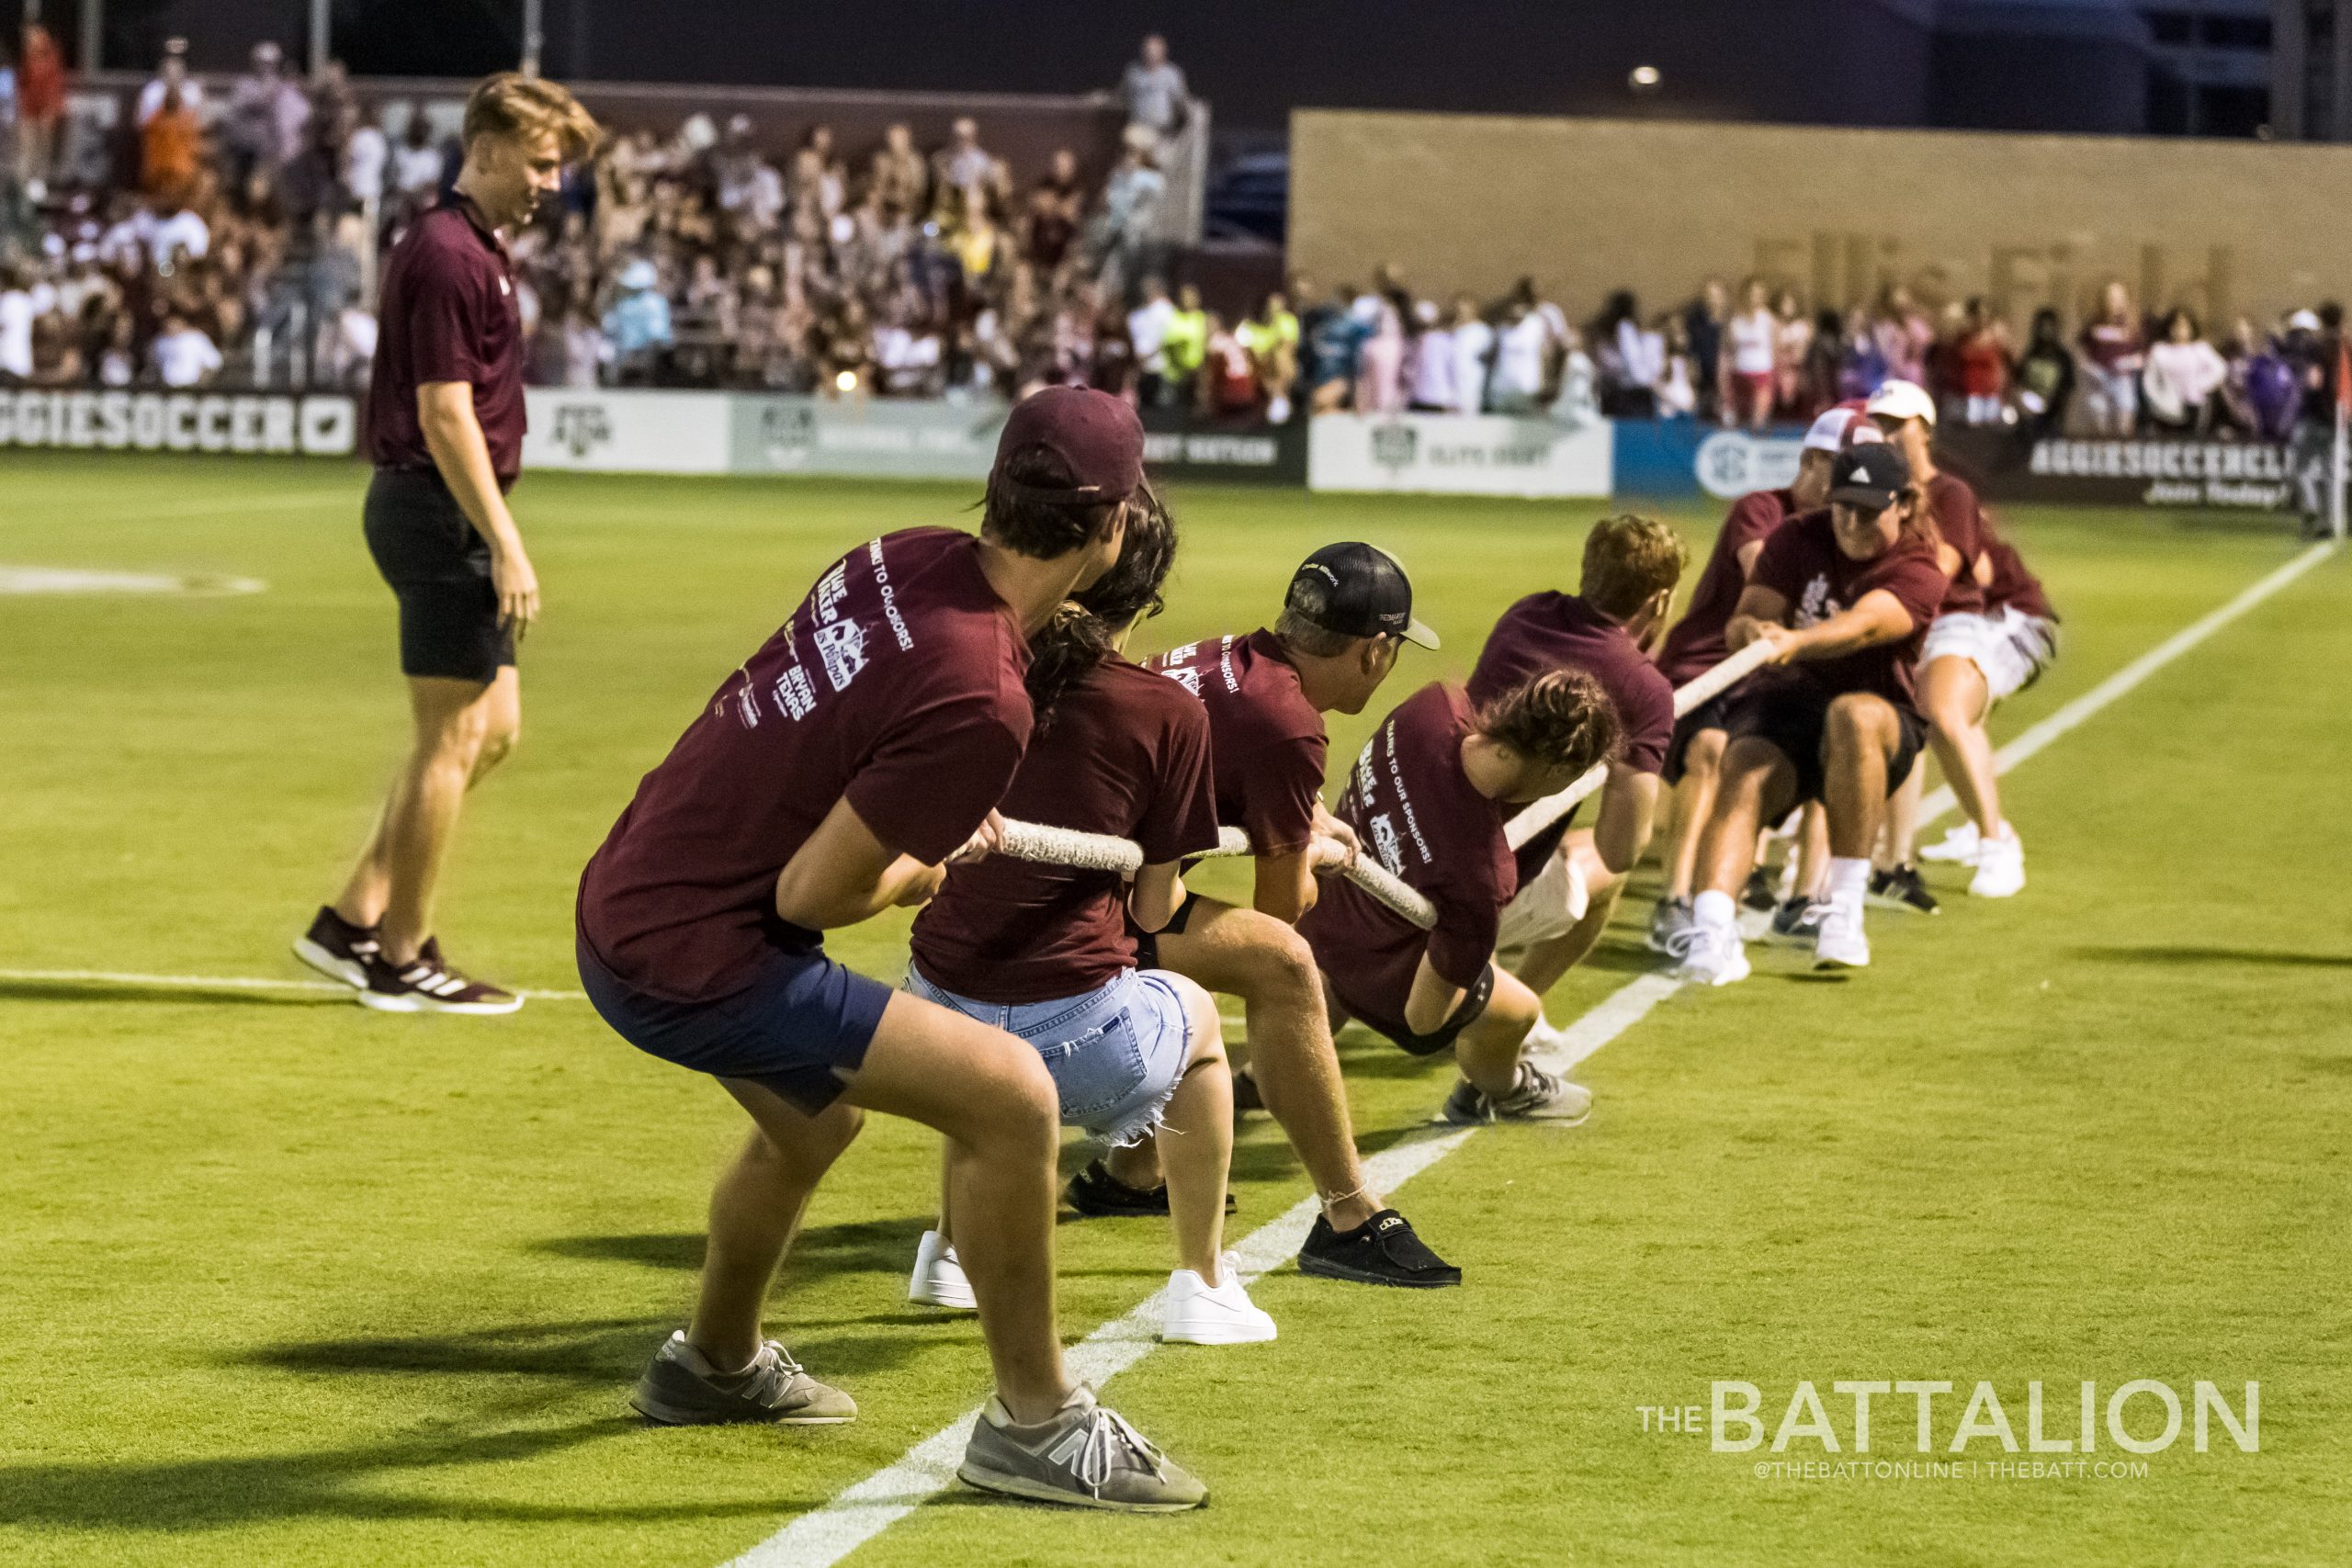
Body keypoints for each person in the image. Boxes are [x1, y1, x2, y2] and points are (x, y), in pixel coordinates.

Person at [578, 388, 1207, 1511]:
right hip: (696, 951)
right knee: (1010, 1095)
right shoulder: (983, 696)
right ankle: (1036, 1425)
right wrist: (925, 861)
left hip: (626, 893)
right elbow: (816, 889)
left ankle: (711, 1366)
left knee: (817, 1118)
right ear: (1112, 527)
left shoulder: (901, 553)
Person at [901, 492, 1276, 1345]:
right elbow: (1156, 908)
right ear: (1144, 600)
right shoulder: (1169, 711)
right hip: (1071, 1033)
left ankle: (948, 1255)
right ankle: (1203, 1280)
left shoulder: (970, 667)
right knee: (1201, 1026)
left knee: (975, 1055)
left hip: (924, 1023)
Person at [292, 75, 601, 1014]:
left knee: (490, 732)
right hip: (436, 512)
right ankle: (401, 953)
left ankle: (351, 920)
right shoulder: (447, 253)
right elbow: (442, 410)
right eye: (545, 162)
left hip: (446, 509)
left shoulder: (478, 248)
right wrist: (505, 540)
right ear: (493, 147)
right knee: (452, 735)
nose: (553, 182)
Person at [1092, 546, 1459, 1288]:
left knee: (1258, 964)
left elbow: (1236, 754)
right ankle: (1350, 1215)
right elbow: (1281, 909)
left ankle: (1130, 1170)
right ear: (1374, 651)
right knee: (1287, 968)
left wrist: (1302, 813)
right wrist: (1309, 862)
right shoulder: (1290, 723)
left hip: (1079, 883)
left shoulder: (1228, 655)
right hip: (1085, 907)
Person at [1677, 442, 1950, 984]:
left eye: (1870, 511)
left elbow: (1868, 625)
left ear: (1904, 504)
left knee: (1853, 716)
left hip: (1879, 716)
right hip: (1785, 704)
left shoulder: (1919, 565)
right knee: (1744, 766)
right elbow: (1745, 621)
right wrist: (1753, 632)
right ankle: (1710, 929)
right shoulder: (1796, 537)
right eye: (1844, 506)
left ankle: (1843, 910)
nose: (1852, 523)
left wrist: (1796, 642)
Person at [1301, 671, 1621, 1124]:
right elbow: (1423, 1019)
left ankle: (1266, 1071)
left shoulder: (1431, 705)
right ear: (1558, 772)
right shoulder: (1482, 877)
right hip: (1383, 985)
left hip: (1318, 917)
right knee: (1521, 1010)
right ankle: (1507, 1090)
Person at [1649, 405, 1863, 955]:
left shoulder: (1839, 531)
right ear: (1811, 462)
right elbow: (1765, 581)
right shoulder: (1762, 509)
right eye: (1841, 471)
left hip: (1774, 676)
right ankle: (1673, 900)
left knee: (1833, 746)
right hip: (1710, 667)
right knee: (1711, 751)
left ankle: (1806, 898)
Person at [1466, 516, 1685, 1049]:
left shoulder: (1527, 612)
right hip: (1474, 887)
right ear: (1658, 602)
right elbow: (1620, 848)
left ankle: (1501, 1000)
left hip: (1413, 834)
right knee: (1606, 876)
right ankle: (1510, 1010)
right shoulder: (1644, 690)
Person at [1863, 378, 1993, 915]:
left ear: (1926, 429)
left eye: (1899, 424)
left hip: (1948, 619)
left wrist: (1883, 601)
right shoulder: (1873, 489)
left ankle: (1996, 840)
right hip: (1895, 618)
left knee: (1930, 709)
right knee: (1892, 719)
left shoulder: (1951, 493)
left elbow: (1948, 570)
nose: (1888, 434)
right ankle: (1889, 859)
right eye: (1880, 424)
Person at [1913, 531, 2059, 897]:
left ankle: (1997, 843)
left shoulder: (1940, 497)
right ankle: (1975, 824)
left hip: (2008, 616)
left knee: (1944, 709)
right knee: (1936, 712)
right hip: (1952, 620)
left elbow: (1982, 571)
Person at [2142, 308, 2229, 434]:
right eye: (2176, 326)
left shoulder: (2200, 349)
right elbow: (2149, 381)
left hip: (2195, 404)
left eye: (2184, 326)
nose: (2180, 330)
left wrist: (2200, 385)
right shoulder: (2160, 351)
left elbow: (2220, 368)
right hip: (2167, 407)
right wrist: (2157, 399)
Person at [2077, 280, 2144, 435]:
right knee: (2099, 421)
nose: (2115, 303)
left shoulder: (2132, 328)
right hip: (2098, 381)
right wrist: (2088, 368)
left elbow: (2143, 356)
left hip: (2122, 380)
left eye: (2119, 298)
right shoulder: (2093, 326)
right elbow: (2081, 351)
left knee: (2124, 420)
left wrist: (2129, 363)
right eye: (2111, 298)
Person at [1722, 277, 1779, 430]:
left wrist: (1774, 376)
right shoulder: (1735, 321)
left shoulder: (1769, 320)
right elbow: (1727, 352)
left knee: (1757, 422)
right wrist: (1723, 378)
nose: (1754, 298)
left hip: (1762, 374)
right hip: (1739, 374)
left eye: (1759, 294)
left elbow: (1775, 349)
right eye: (1752, 294)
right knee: (1735, 421)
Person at [2011, 308, 2075, 437]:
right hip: (2027, 416)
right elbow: (2019, 378)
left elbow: (2069, 384)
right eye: (2042, 326)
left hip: (2052, 417)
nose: (2046, 330)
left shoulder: (2062, 357)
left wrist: (2053, 402)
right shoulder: (2031, 354)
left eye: (2049, 326)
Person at [1120, 34, 1190, 148]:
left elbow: (1181, 102)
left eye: (1154, 51)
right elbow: (1121, 96)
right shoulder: (1132, 72)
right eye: (1147, 50)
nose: (1150, 54)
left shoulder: (1172, 74)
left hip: (1163, 131)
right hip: (1137, 129)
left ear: (1163, 52)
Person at [137, 38, 207, 127]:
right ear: (163, 63)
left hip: (186, 137)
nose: (174, 65)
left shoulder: (193, 89)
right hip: (160, 137)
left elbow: (203, 122)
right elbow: (141, 122)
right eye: (171, 60)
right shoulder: (152, 90)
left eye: (178, 61)